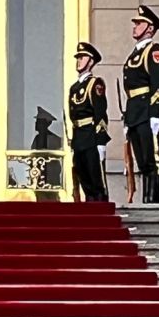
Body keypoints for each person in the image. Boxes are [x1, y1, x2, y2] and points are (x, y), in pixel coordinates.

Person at [123, 5, 159, 204]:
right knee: (142, 161)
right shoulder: (135, 53)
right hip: (135, 112)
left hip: (147, 111)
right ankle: (146, 199)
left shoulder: (153, 50)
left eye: (139, 23)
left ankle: (153, 202)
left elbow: (158, 83)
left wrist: (156, 113)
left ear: (150, 28)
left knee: (152, 159)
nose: (135, 26)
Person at [68, 42, 110, 202]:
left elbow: (100, 113)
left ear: (91, 61)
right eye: (78, 58)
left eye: (83, 57)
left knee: (96, 180)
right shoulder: (74, 88)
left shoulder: (95, 84)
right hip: (79, 137)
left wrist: (101, 141)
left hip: (91, 137)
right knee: (84, 178)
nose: (79, 61)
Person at [31, 105, 64, 197]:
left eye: (39, 122)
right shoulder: (37, 139)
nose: (36, 124)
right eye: (37, 122)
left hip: (51, 177)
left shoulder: (56, 140)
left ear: (46, 124)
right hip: (37, 177)